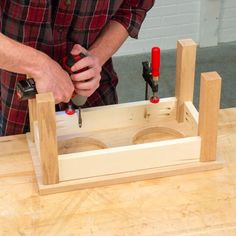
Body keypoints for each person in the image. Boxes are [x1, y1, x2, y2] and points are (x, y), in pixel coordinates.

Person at [0, 1, 154, 136]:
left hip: (94, 97)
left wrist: (96, 57)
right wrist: (39, 65)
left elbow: (134, 6)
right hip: (13, 103)